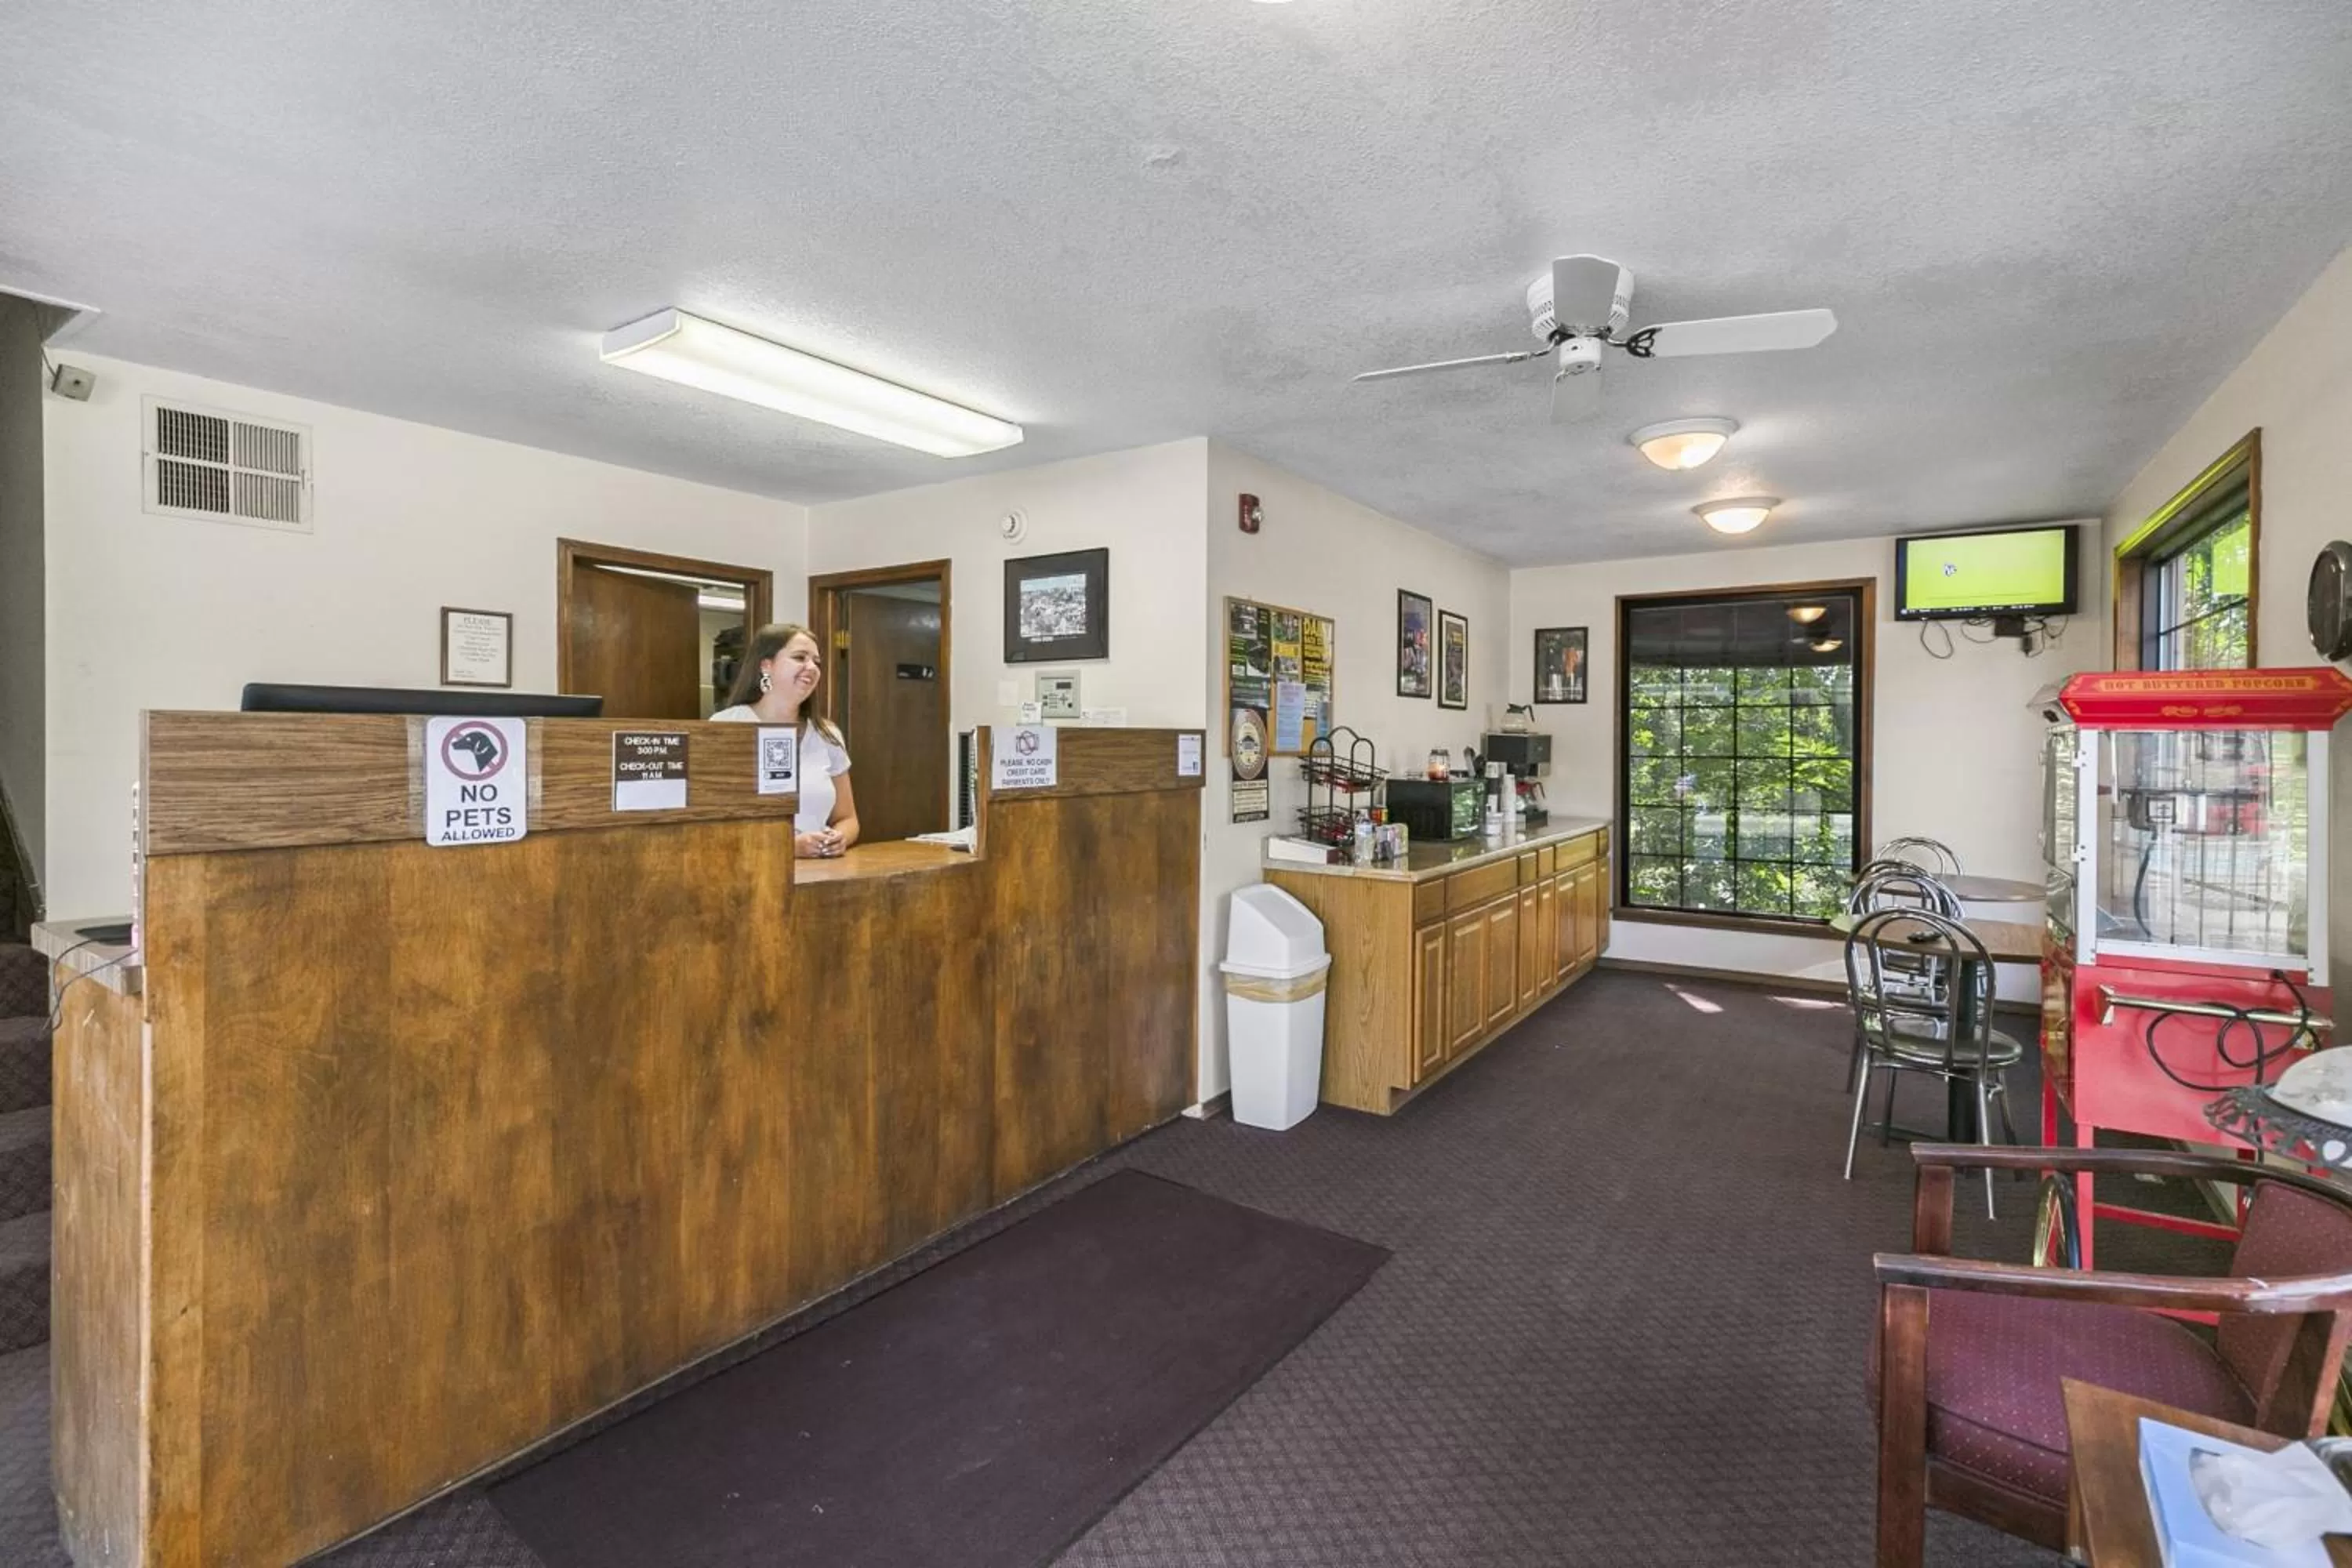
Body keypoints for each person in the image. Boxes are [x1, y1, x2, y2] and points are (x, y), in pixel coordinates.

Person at [712, 623, 859, 858]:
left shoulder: (827, 734)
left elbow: (848, 818)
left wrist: (838, 838)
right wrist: (788, 846)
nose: (812, 667)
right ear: (766, 665)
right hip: (752, 870)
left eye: (816, 662)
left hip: (821, 872)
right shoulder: (726, 726)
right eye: (800, 658)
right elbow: (713, 822)